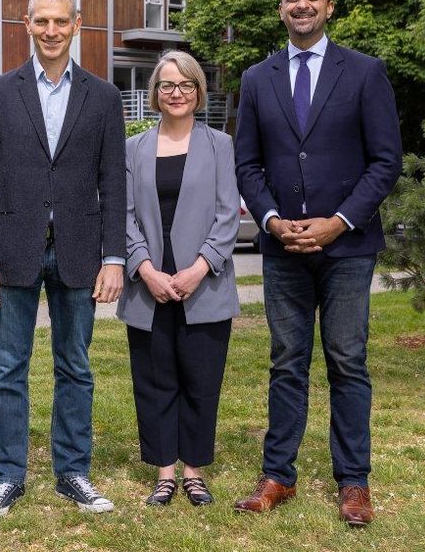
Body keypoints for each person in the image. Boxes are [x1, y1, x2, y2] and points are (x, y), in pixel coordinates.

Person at [232, 0, 402, 526]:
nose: (301, 5)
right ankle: (278, 475)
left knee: (347, 362)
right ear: (280, 10)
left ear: (329, 7)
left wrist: (340, 221)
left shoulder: (366, 72)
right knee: (286, 362)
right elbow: (248, 165)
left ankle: (353, 482)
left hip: (348, 248)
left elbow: (385, 162)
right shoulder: (257, 78)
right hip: (283, 249)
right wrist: (273, 220)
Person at [0, 0, 126, 517]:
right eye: (42, 22)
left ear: (77, 24)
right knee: (8, 368)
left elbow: (113, 182)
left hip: (80, 252)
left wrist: (115, 257)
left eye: (61, 22)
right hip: (11, 251)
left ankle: (73, 473)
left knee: (76, 367)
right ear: (27, 24)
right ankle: (9, 476)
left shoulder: (103, 96)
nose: (52, 31)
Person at [117, 51, 240, 507]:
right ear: (155, 94)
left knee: (200, 379)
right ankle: (165, 471)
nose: (176, 93)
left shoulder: (220, 145)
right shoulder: (133, 148)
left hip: (202, 285)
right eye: (167, 85)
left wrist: (199, 267)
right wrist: (145, 269)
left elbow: (228, 215)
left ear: (198, 92)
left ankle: (193, 471)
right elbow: (123, 216)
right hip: (149, 287)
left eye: (185, 85)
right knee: (155, 378)